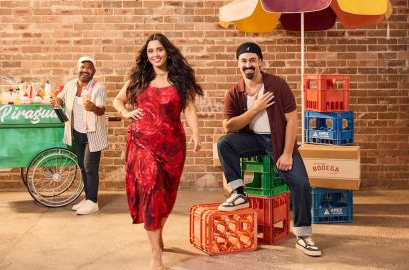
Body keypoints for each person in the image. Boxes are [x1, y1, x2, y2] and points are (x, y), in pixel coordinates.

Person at [217, 42, 322, 257]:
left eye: (253, 60)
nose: (249, 64)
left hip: (279, 142)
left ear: (260, 62)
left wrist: (286, 153)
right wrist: (256, 109)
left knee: (301, 183)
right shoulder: (235, 93)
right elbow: (229, 126)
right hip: (253, 140)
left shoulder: (277, 85)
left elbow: (292, 121)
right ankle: (239, 193)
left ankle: (303, 236)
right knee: (224, 142)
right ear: (238, 64)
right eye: (244, 61)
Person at [113, 33, 203, 270]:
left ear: (167, 52)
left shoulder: (179, 80)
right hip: (142, 144)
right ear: (146, 55)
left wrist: (195, 134)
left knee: (167, 195)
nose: (155, 55)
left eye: (159, 50)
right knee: (152, 189)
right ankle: (156, 256)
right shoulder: (139, 79)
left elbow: (190, 110)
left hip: (172, 146)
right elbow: (118, 101)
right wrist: (126, 113)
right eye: (151, 51)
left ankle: (158, 232)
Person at [50, 56, 108, 215]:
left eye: (89, 68)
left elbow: (102, 110)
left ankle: (93, 202)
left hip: (92, 134)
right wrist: (57, 102)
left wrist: (94, 107)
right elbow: (60, 98)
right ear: (78, 69)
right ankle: (87, 198)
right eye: (82, 67)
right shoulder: (70, 85)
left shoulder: (98, 88)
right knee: (82, 166)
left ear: (93, 71)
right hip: (77, 132)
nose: (85, 70)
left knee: (90, 167)